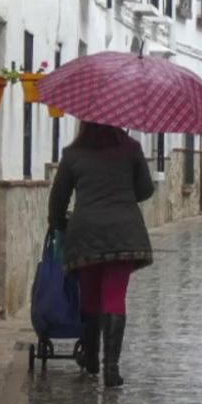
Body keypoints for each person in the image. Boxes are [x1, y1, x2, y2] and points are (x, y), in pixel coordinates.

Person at [47, 121, 155, 387]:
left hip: (85, 234)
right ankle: (111, 369)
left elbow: (58, 198)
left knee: (90, 297)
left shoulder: (73, 154)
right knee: (114, 296)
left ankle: (91, 357)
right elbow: (145, 190)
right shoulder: (131, 149)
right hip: (124, 233)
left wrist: (58, 223)